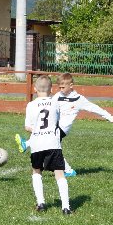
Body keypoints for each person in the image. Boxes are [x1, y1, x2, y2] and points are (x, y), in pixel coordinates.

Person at [16, 72, 113, 177]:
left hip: (62, 128)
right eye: (59, 87)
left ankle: (27, 145)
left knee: (50, 146)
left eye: (63, 87)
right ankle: (68, 170)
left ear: (71, 85)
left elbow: (93, 108)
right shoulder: (58, 96)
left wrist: (109, 116)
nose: (61, 90)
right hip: (54, 125)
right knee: (51, 146)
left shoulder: (78, 99)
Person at [24, 75, 71, 214]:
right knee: (59, 174)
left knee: (36, 171)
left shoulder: (31, 105)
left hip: (37, 144)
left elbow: (27, 127)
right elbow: (58, 121)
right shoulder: (55, 103)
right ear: (51, 90)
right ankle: (66, 207)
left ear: (34, 89)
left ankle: (41, 203)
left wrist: (36, 129)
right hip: (52, 144)